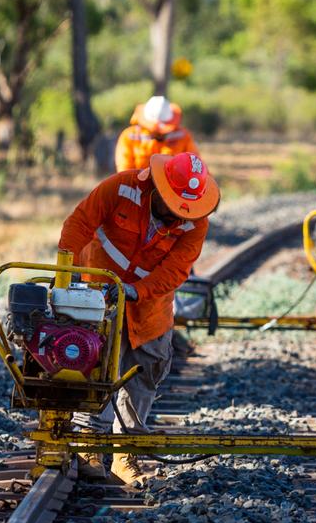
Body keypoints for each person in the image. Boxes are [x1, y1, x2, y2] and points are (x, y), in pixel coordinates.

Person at [58, 151, 219, 484]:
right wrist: (66, 275)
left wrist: (136, 291)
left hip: (150, 307)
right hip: (97, 296)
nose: (179, 215)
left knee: (144, 373)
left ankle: (125, 454)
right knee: (96, 365)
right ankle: (90, 445)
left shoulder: (196, 221)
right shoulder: (120, 188)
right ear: (157, 190)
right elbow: (79, 223)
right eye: (173, 206)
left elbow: (176, 270)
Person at [115, 95, 199, 172]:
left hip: (173, 186)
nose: (159, 133)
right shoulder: (129, 136)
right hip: (137, 186)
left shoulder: (182, 136)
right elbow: (124, 169)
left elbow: (196, 166)